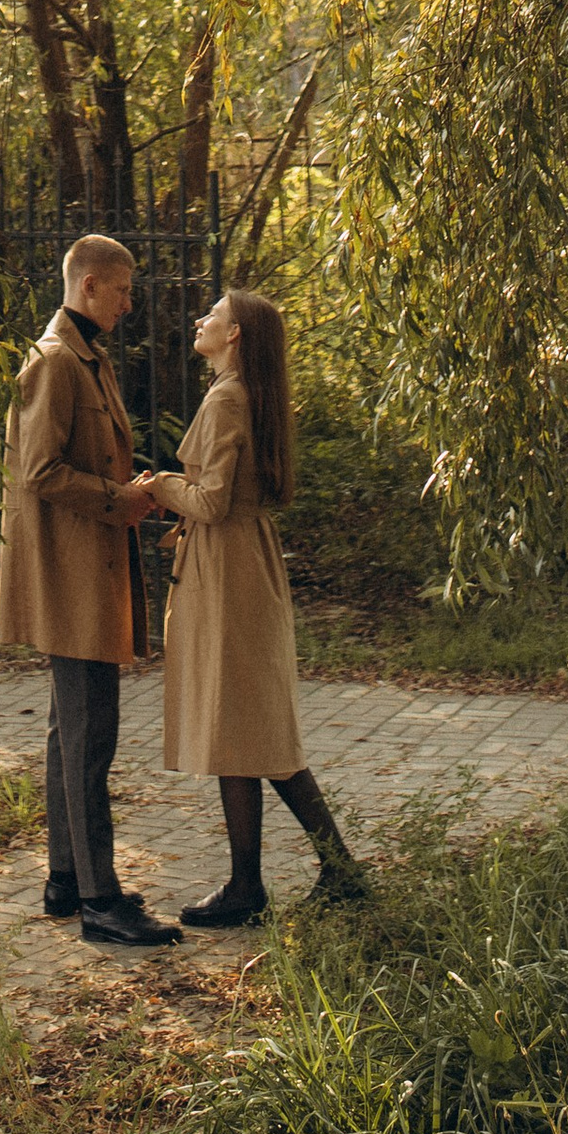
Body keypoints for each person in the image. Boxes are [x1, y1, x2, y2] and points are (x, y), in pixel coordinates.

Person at [150, 284, 366, 925]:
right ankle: (326, 872)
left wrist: (160, 487)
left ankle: (261, 886)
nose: (201, 319)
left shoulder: (225, 398)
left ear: (236, 333)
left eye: (213, 314)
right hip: (248, 562)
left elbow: (210, 502)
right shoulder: (253, 396)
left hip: (228, 571)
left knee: (241, 726)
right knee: (249, 726)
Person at [0, 232, 183, 946]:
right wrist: (121, 499)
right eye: (125, 290)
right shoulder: (54, 364)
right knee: (87, 734)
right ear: (91, 285)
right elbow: (40, 473)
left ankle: (69, 880)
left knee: (70, 731)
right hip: (72, 578)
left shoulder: (86, 360)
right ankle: (100, 902)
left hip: (87, 571)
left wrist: (124, 494)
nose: (131, 304)